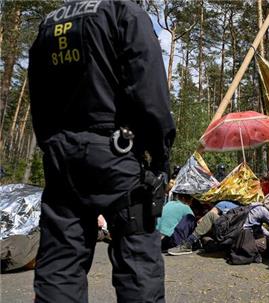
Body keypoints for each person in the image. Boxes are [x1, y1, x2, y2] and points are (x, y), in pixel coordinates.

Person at [28, 1, 175, 302]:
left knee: (60, 263)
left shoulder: (50, 23)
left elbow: (38, 95)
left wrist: (51, 146)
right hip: (117, 154)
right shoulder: (124, 12)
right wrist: (160, 156)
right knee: (137, 263)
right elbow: (149, 91)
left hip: (62, 159)